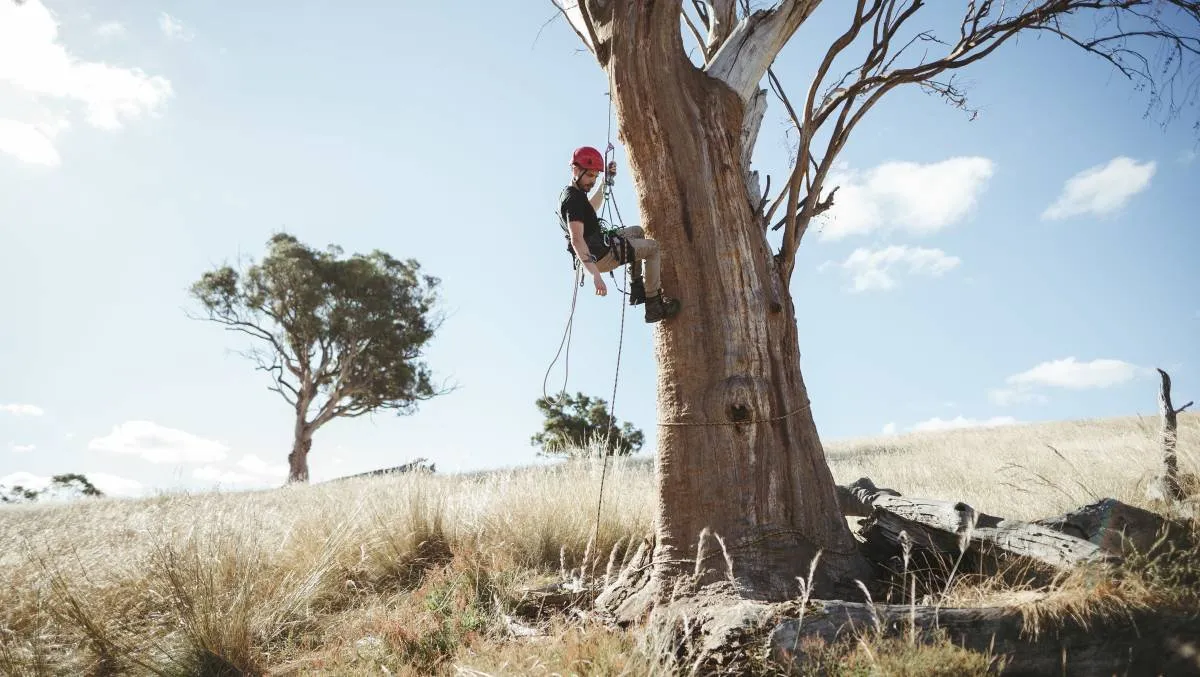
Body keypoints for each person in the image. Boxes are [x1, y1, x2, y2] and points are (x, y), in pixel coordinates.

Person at [558, 146, 682, 324]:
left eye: (596, 176)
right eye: (590, 175)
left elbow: (590, 209)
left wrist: (605, 182)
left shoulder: (575, 193)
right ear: (576, 170)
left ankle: (637, 288)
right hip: (599, 256)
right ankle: (654, 306)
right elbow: (577, 239)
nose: (592, 181)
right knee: (653, 248)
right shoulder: (573, 200)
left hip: (600, 245)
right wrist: (595, 275)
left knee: (637, 232)